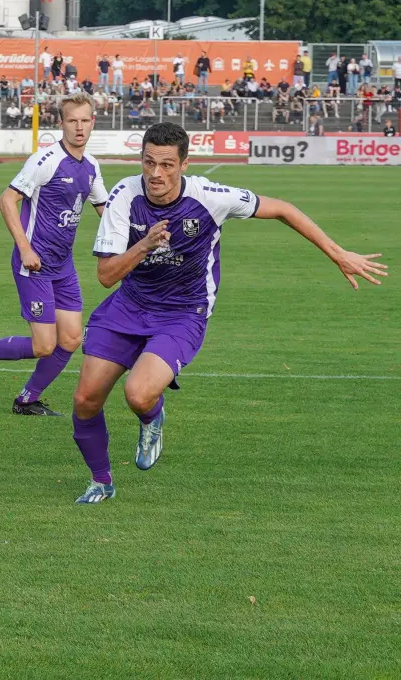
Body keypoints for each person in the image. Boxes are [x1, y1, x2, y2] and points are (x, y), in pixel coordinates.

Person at [67, 122, 386, 505]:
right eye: (149, 162)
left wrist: (338, 253)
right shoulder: (124, 196)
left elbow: (283, 209)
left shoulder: (209, 196)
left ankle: (152, 420)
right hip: (128, 305)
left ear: (184, 164)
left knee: (138, 395)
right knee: (86, 399)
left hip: (183, 312)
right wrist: (146, 245)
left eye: (167, 165)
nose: (156, 174)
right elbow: (105, 276)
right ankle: (101, 481)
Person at [0, 94, 107, 415]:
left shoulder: (91, 166)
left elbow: (106, 210)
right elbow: (6, 200)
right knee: (44, 345)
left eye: (85, 121)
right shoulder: (45, 160)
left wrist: (141, 237)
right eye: (72, 121)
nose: (79, 128)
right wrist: (25, 247)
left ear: (93, 123)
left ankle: (27, 400)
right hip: (34, 264)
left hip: (63, 265)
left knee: (71, 340)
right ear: (61, 124)